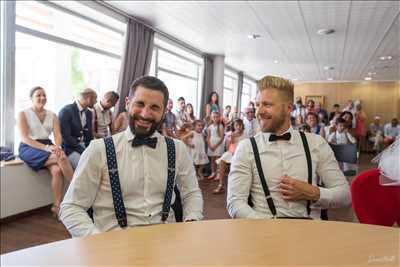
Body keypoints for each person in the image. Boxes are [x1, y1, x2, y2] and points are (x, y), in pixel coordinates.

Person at [60, 76, 203, 237]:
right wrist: (97, 240)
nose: (145, 114)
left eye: (155, 107)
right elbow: (71, 207)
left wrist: (192, 220)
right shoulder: (98, 150)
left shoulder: (177, 149)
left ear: (164, 112)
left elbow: (191, 193)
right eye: (140, 104)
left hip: (165, 243)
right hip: (115, 246)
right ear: (127, 103)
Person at [227, 75, 351, 219]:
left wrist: (314, 193)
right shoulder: (246, 148)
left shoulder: (316, 143)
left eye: (267, 105)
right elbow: (235, 203)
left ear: (288, 108)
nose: (258, 112)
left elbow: (345, 195)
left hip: (310, 231)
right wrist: (270, 226)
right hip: (264, 232)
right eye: (257, 104)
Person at [17, 86, 73, 217]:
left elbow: (58, 136)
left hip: (49, 146)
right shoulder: (23, 114)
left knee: (57, 170)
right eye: (38, 95)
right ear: (31, 98)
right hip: (29, 147)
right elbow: (24, 137)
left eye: (44, 95)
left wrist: (57, 146)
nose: (42, 98)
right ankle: (79, 189)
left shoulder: (52, 115)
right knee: (62, 158)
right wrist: (49, 149)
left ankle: (57, 207)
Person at [59, 88, 97, 169]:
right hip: (69, 148)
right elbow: (66, 138)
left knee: (99, 163)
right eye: (95, 99)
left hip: (84, 146)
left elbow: (89, 135)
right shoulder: (66, 111)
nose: (96, 102)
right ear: (89, 98)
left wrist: (92, 148)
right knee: (84, 167)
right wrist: (83, 150)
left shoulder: (89, 113)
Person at [213, 119, 245, 194]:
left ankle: (238, 186)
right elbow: (228, 148)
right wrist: (232, 138)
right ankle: (220, 184)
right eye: (236, 125)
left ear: (242, 126)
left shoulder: (245, 134)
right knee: (222, 161)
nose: (238, 127)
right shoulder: (230, 134)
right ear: (234, 126)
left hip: (242, 153)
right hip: (232, 152)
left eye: (240, 125)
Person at [206, 111, 225, 180]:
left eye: (217, 117)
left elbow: (222, 137)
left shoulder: (220, 126)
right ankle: (213, 172)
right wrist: (210, 145)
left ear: (219, 118)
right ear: (211, 118)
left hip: (218, 145)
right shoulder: (210, 127)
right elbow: (208, 137)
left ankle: (218, 173)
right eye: (214, 117)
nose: (215, 118)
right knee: (212, 160)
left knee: (218, 160)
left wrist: (216, 145)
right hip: (211, 144)